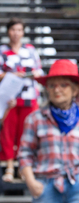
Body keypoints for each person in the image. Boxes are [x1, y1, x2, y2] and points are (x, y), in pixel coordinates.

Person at [18, 59, 79, 203]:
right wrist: (31, 182)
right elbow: (25, 154)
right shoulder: (35, 119)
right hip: (46, 185)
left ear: (75, 90)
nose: (57, 90)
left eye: (63, 85)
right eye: (52, 85)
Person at [0, 18, 43, 182]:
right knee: (8, 133)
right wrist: (11, 75)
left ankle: (23, 168)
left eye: (19, 30)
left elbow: (38, 70)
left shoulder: (30, 50)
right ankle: (10, 166)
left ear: (23, 32)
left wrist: (32, 75)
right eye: (13, 30)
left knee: (26, 134)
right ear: (8, 31)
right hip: (9, 97)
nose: (16, 33)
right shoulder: (3, 51)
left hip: (28, 97)